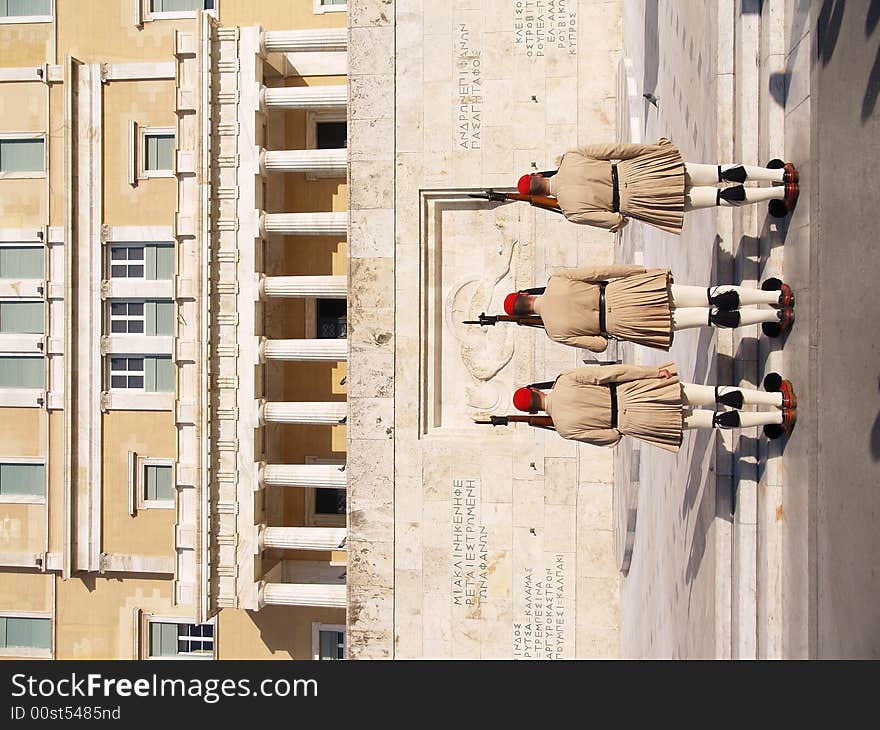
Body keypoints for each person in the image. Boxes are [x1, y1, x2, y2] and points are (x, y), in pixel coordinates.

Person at [485, 365, 797, 451]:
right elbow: (612, 373)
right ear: (534, 390)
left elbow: (610, 439)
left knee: (711, 419)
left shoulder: (564, 429)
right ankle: (776, 400)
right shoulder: (564, 380)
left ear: (532, 413)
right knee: (710, 393)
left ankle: (774, 418)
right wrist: (652, 374)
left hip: (635, 421)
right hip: (635, 391)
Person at [484, 266, 794, 351]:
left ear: (527, 316)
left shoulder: (553, 331)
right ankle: (772, 298)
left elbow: (599, 344)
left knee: (706, 317)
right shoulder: (556, 279)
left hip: (624, 323)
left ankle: (772, 316)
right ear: (526, 293)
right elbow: (597, 271)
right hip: (625, 292)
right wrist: (635, 271)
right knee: (706, 294)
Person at [514, 141, 798, 233]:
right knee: (718, 171)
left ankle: (778, 193)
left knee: (718, 197)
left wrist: (621, 214)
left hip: (637, 201)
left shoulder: (570, 211)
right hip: (639, 169)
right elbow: (617, 149)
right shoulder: (571, 157)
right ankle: (777, 174)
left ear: (539, 195)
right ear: (538, 174)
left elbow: (614, 221)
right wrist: (650, 151)